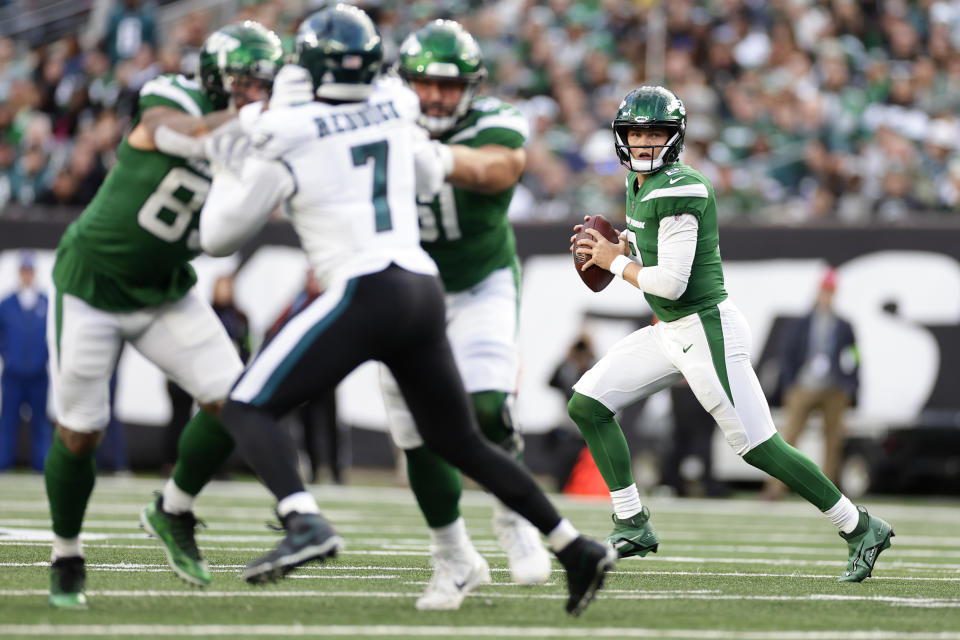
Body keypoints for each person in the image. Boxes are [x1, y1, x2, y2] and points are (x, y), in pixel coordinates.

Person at [198, 4, 616, 616]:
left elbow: (217, 237)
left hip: (374, 289)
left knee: (244, 403)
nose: (438, 94)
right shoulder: (396, 111)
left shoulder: (294, 128)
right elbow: (420, 166)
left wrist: (234, 151)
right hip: (420, 287)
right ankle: (574, 547)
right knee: (457, 441)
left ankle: (303, 518)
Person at [568, 85, 892, 583]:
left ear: (674, 138)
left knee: (758, 446)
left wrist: (617, 260)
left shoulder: (682, 187)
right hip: (670, 329)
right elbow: (650, 243)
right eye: (636, 133)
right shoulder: (640, 183)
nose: (644, 144)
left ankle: (859, 526)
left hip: (704, 327)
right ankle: (632, 520)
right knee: (588, 403)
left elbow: (671, 283)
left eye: (655, 134)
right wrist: (624, 241)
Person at [43, 22, 284, 609]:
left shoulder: (266, 134)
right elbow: (172, 132)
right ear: (215, 80)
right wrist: (250, 124)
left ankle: (173, 508)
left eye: (265, 88)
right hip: (93, 285)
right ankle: (66, 553)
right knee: (81, 431)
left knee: (238, 400)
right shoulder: (174, 97)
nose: (257, 97)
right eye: (246, 85)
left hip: (166, 290)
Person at [374, 18, 551, 606]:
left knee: (486, 405)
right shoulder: (378, 116)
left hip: (479, 282)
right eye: (425, 82)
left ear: (470, 87)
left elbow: (499, 166)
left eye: (450, 86)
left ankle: (513, 512)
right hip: (402, 289)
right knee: (418, 437)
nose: (436, 96)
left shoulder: (494, 120)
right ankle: (451, 558)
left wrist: (439, 159)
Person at [762, 267, 858, 499]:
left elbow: (855, 357)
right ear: (818, 292)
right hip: (803, 386)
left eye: (831, 291)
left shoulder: (844, 325)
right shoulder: (801, 323)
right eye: (825, 291)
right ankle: (776, 487)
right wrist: (789, 385)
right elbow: (787, 354)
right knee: (789, 437)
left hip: (833, 389)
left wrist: (851, 388)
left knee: (833, 441)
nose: (827, 296)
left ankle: (829, 491)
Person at [266, 267, 348, 485]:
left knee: (330, 424)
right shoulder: (298, 304)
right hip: (304, 377)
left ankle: (335, 470)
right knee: (307, 425)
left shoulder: (331, 302)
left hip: (327, 376)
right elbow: (276, 330)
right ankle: (312, 469)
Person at [0, 251, 51, 472]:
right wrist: (9, 356)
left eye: (30, 271)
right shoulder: (7, 304)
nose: (27, 275)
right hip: (13, 373)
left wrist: (44, 358)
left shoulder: (45, 303)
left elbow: (52, 336)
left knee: (40, 423)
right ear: (19, 273)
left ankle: (41, 465)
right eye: (24, 271)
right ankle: (3, 463)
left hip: (39, 373)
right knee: (8, 421)